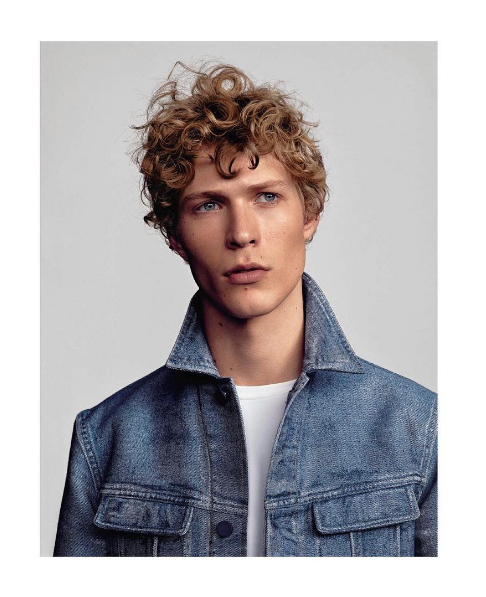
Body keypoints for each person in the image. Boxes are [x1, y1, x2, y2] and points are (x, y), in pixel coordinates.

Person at [53, 62, 437, 557]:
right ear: (175, 237)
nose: (242, 233)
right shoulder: (107, 438)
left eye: (267, 197)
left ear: (310, 215)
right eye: (208, 205)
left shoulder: (420, 427)